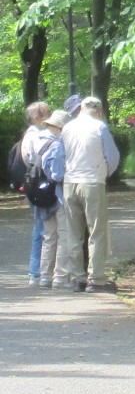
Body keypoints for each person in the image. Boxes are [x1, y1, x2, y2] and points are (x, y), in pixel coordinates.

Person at [61, 95, 120, 292]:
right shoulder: (100, 127)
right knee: (96, 231)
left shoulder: (67, 128)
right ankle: (96, 279)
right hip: (93, 182)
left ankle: (77, 277)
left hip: (70, 183)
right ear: (99, 110)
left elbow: (62, 156)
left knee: (74, 232)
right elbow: (112, 157)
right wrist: (104, 173)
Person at [31, 109, 72, 288]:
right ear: (59, 128)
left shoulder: (38, 142)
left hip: (42, 196)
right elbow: (57, 175)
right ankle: (59, 276)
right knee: (63, 236)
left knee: (48, 237)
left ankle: (45, 275)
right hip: (57, 197)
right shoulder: (56, 146)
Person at [21, 101, 52, 286]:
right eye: (46, 113)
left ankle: (36, 272)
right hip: (39, 185)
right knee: (40, 229)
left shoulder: (31, 135)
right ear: (36, 116)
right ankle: (35, 272)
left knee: (40, 227)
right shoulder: (35, 136)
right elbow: (36, 161)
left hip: (34, 185)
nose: (49, 116)